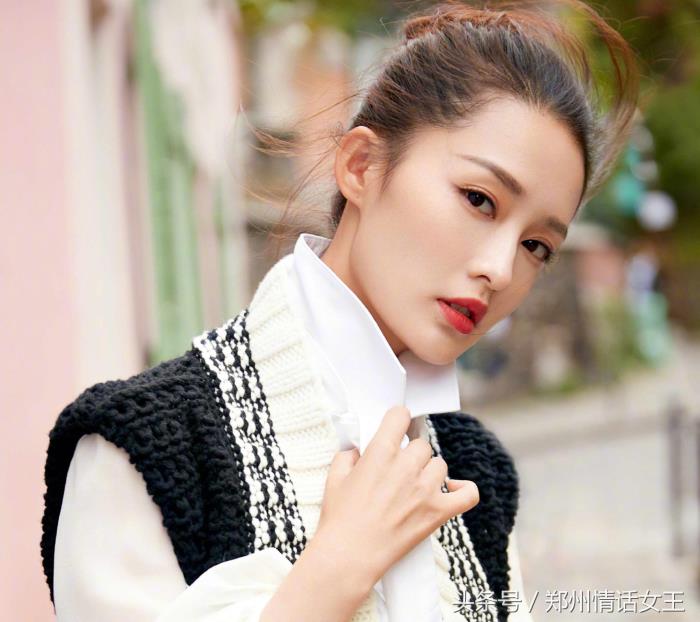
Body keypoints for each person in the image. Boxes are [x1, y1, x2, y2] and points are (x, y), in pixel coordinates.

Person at [40, 1, 640, 621]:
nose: (501, 269)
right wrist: (338, 569)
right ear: (361, 166)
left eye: (536, 246)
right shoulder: (142, 448)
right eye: (479, 199)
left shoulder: (474, 471)